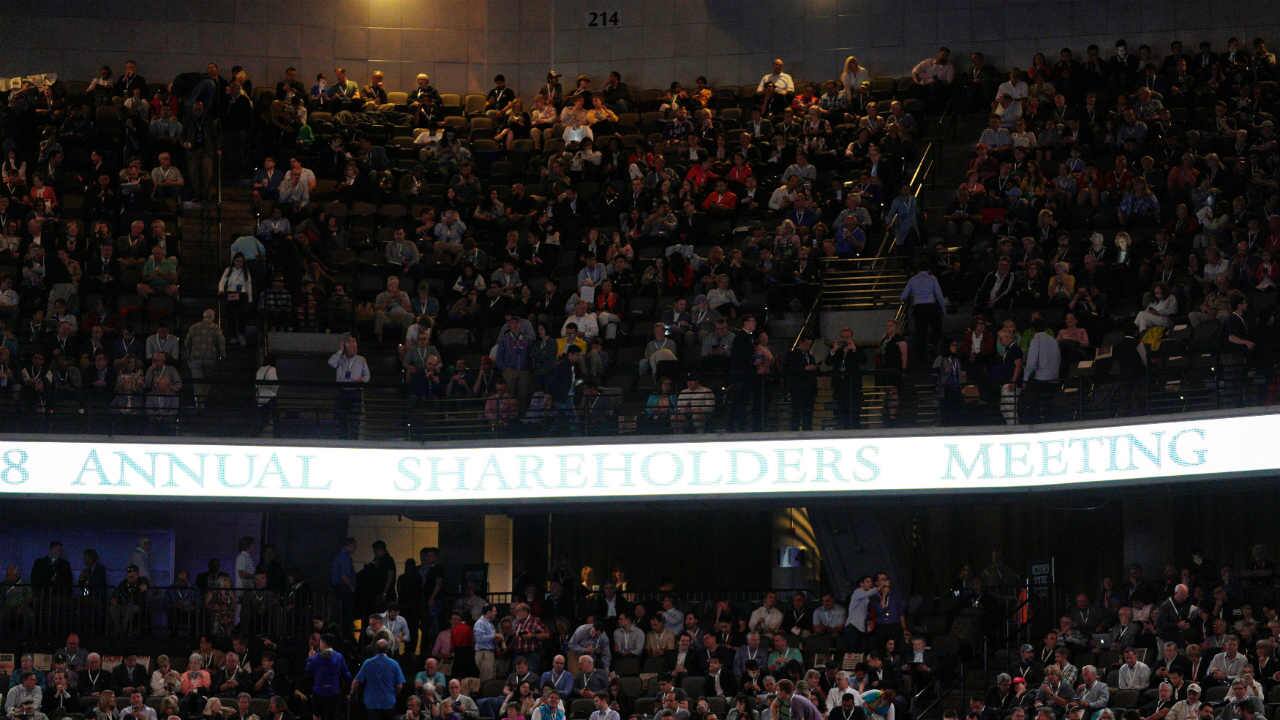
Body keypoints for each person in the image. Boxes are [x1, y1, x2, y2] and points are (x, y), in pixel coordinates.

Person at [901, 265, 946, 365]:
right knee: (937, 329)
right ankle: (933, 346)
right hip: (931, 307)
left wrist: (913, 296)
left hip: (919, 309)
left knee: (920, 333)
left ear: (917, 270)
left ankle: (921, 358)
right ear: (928, 269)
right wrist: (943, 309)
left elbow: (903, 296)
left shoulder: (912, 280)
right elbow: (939, 295)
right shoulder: (932, 278)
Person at [328, 334, 370, 438]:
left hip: (355, 392)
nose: (352, 346)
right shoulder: (340, 359)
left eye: (354, 343)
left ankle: (354, 439)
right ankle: (343, 439)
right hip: (342, 391)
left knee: (355, 419)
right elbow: (331, 363)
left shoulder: (361, 359)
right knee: (341, 418)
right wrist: (340, 351)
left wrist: (361, 380)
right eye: (349, 343)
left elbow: (367, 376)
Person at [351, 640, 403, 720]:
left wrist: (352, 693)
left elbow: (356, 681)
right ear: (387, 649)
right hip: (388, 701)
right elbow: (399, 686)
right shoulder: (394, 664)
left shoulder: (368, 663)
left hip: (372, 702)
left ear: (375, 649)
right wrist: (394, 695)